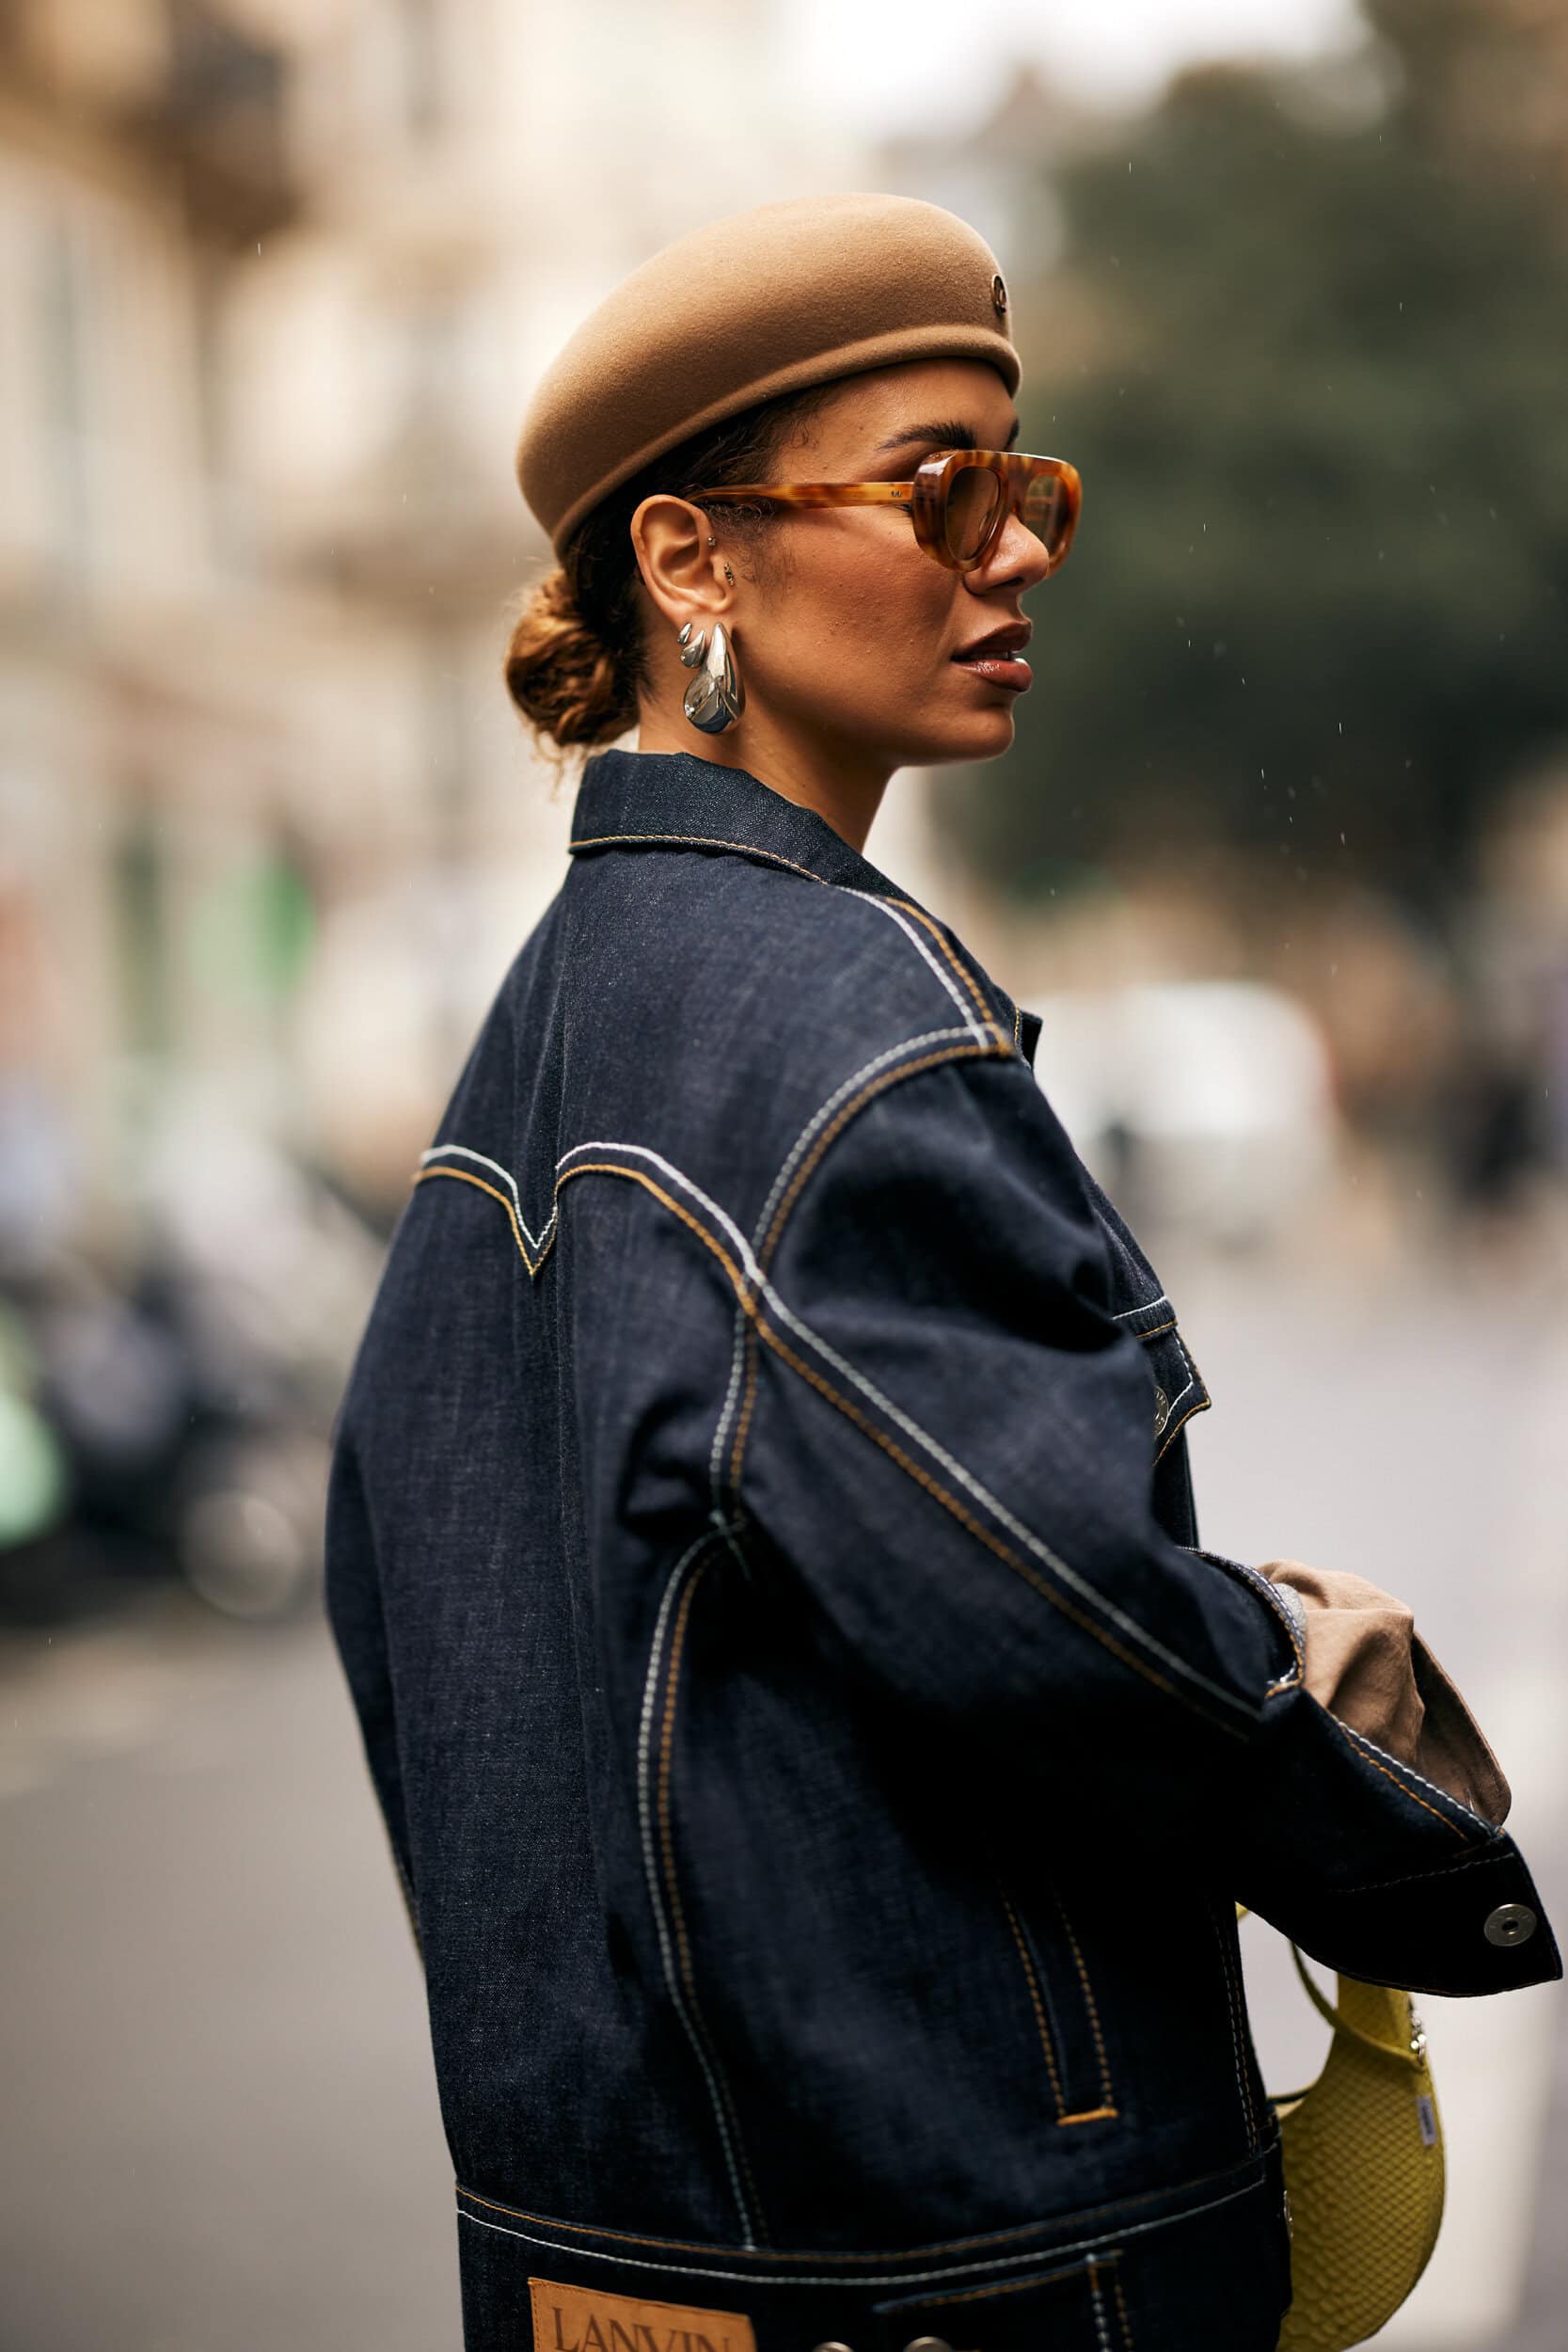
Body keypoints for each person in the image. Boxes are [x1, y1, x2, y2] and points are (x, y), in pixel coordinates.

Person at [324, 194, 1558, 2352]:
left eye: (1032, 485)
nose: (1018, 552)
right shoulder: (842, 1024)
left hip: (591, 2269)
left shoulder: (531, 1038)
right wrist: (1329, 1689)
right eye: (940, 488)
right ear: (689, 561)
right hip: (969, 2266)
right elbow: (1068, 1624)